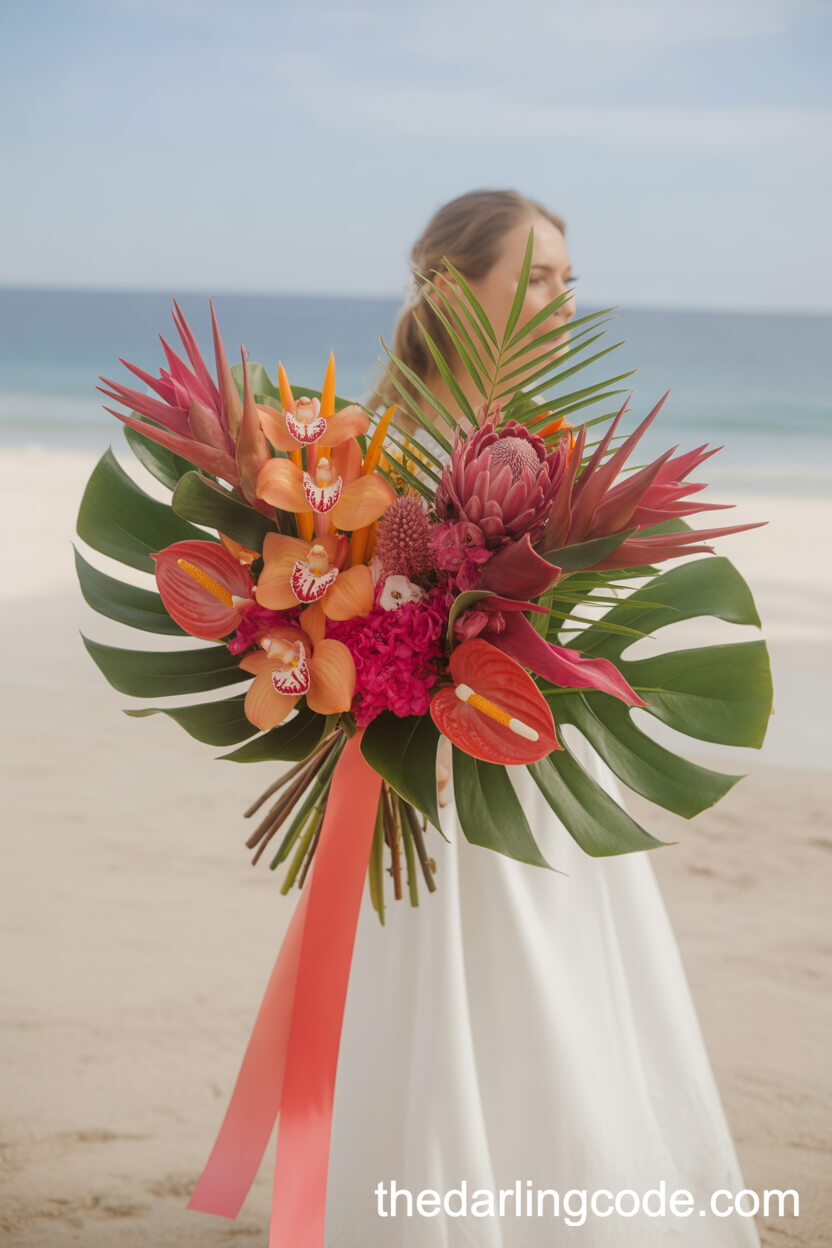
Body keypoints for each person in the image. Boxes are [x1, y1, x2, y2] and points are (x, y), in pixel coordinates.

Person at [325, 190, 760, 1246]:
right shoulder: (379, 446)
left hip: (544, 763)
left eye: (570, 279)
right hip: (438, 774)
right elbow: (358, 615)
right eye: (539, 277)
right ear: (451, 287)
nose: (562, 300)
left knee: (578, 999)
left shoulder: (542, 437)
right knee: (470, 998)